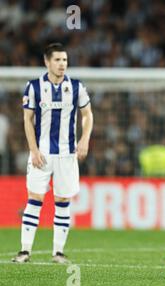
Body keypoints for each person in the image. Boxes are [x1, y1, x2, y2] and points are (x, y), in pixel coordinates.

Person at [12, 43, 93, 263]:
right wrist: (33, 150)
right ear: (47, 62)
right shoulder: (34, 87)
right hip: (42, 153)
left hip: (67, 154)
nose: (62, 64)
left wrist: (84, 139)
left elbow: (87, 114)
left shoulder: (76, 86)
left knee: (63, 200)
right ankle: (24, 251)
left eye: (65, 60)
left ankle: (58, 252)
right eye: (57, 60)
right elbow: (27, 120)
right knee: (35, 198)